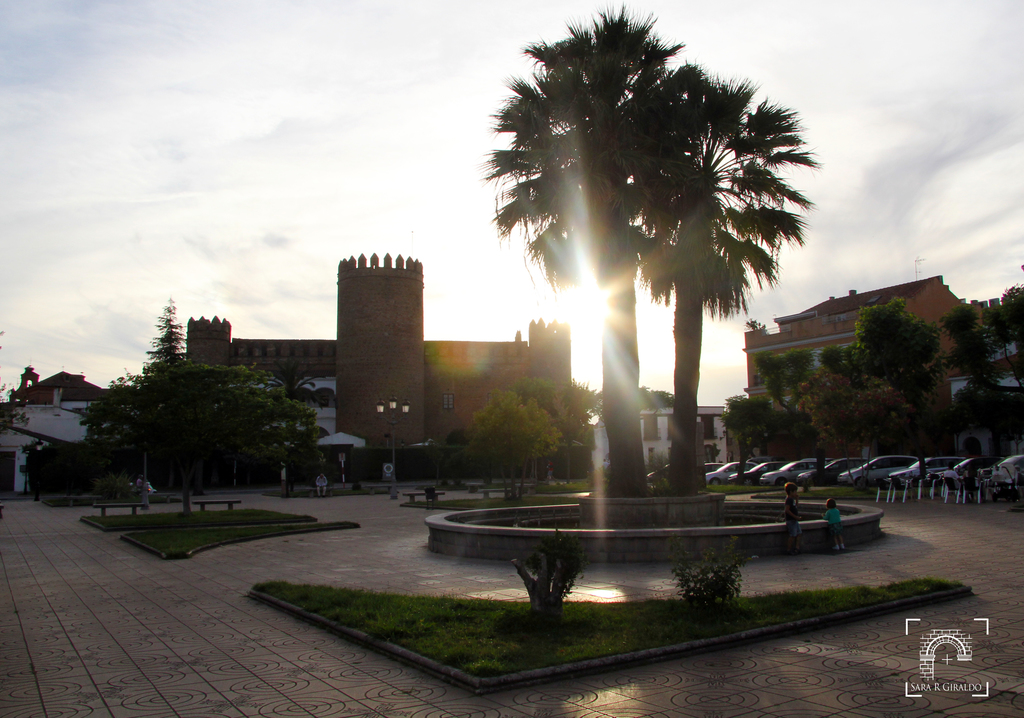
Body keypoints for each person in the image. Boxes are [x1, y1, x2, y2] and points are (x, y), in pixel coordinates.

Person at [784, 482, 802, 555]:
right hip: (791, 520)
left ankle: (797, 548)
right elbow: (787, 510)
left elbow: (796, 507)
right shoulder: (788, 500)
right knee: (792, 535)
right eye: (795, 491)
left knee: (799, 533)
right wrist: (796, 517)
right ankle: (789, 549)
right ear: (791, 492)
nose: (796, 493)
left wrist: (797, 499)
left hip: (794, 520)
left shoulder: (792, 499)